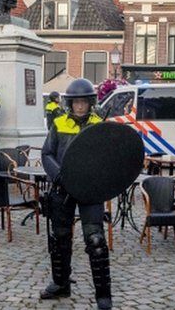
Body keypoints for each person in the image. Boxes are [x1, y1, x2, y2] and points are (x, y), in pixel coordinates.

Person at [39, 78, 113, 308]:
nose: (79, 106)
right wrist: (58, 175)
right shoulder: (59, 123)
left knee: (96, 239)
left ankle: (103, 293)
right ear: (69, 103)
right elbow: (47, 154)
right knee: (60, 238)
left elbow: (109, 157)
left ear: (90, 102)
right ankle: (61, 284)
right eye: (76, 102)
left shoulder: (100, 124)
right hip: (63, 189)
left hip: (90, 191)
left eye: (83, 102)